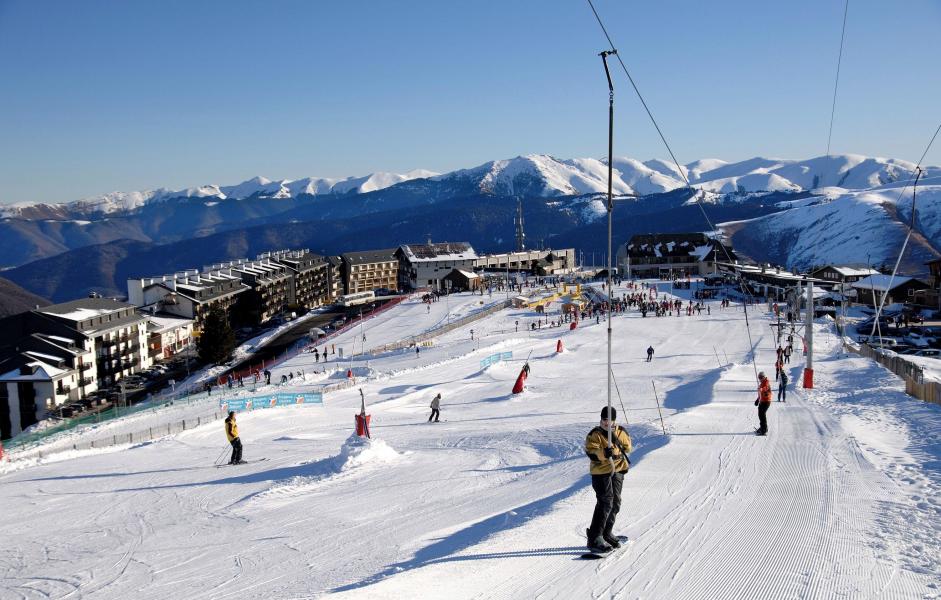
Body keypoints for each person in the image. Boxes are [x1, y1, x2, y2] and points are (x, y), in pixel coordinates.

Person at [584, 406, 632, 553]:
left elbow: (628, 447)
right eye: (604, 419)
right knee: (606, 502)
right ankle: (595, 537)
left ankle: (606, 532)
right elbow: (591, 452)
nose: (607, 422)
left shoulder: (620, 431)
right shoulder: (595, 434)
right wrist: (604, 453)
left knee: (616, 502)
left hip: (617, 470)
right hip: (601, 472)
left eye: (610, 420)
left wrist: (616, 449)